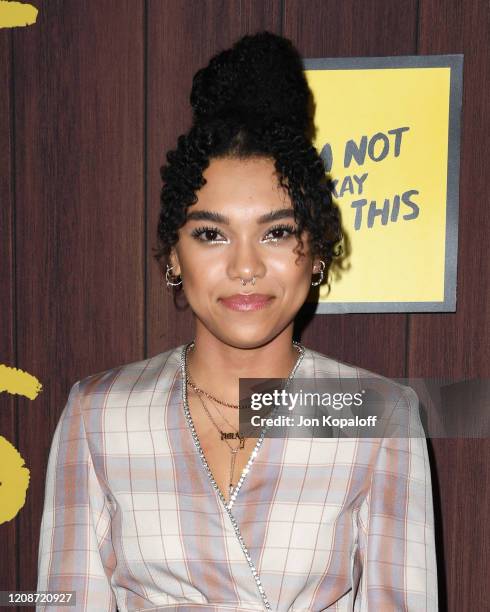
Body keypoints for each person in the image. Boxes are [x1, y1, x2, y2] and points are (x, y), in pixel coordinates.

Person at [37, 32, 438, 611]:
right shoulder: (99, 412)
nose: (246, 266)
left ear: (317, 251)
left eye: (276, 232)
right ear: (174, 255)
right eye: (211, 234)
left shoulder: (379, 413)